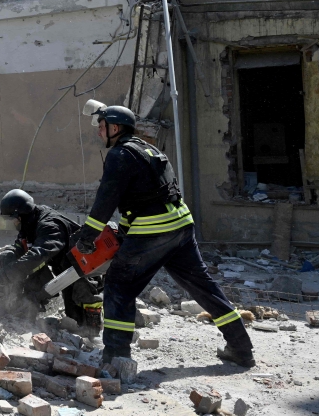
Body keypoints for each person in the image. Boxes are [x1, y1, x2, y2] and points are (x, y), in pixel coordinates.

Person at [73, 104, 255, 367]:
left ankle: (116, 356)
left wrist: (87, 237)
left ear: (115, 128)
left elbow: (105, 201)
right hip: (181, 226)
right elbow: (150, 195)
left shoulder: (119, 155)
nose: (99, 132)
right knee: (204, 288)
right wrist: (124, 231)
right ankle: (241, 348)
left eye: (102, 127)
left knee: (118, 285)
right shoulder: (150, 149)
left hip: (152, 231)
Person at [0, 189, 103, 329]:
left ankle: (94, 336)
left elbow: (36, 257)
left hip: (81, 270)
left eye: (13, 220)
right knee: (8, 257)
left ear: (20, 215)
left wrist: (1, 276)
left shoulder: (50, 226)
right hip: (63, 267)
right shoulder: (29, 222)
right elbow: (20, 246)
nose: (13, 225)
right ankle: (13, 304)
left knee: (80, 322)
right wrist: (8, 256)